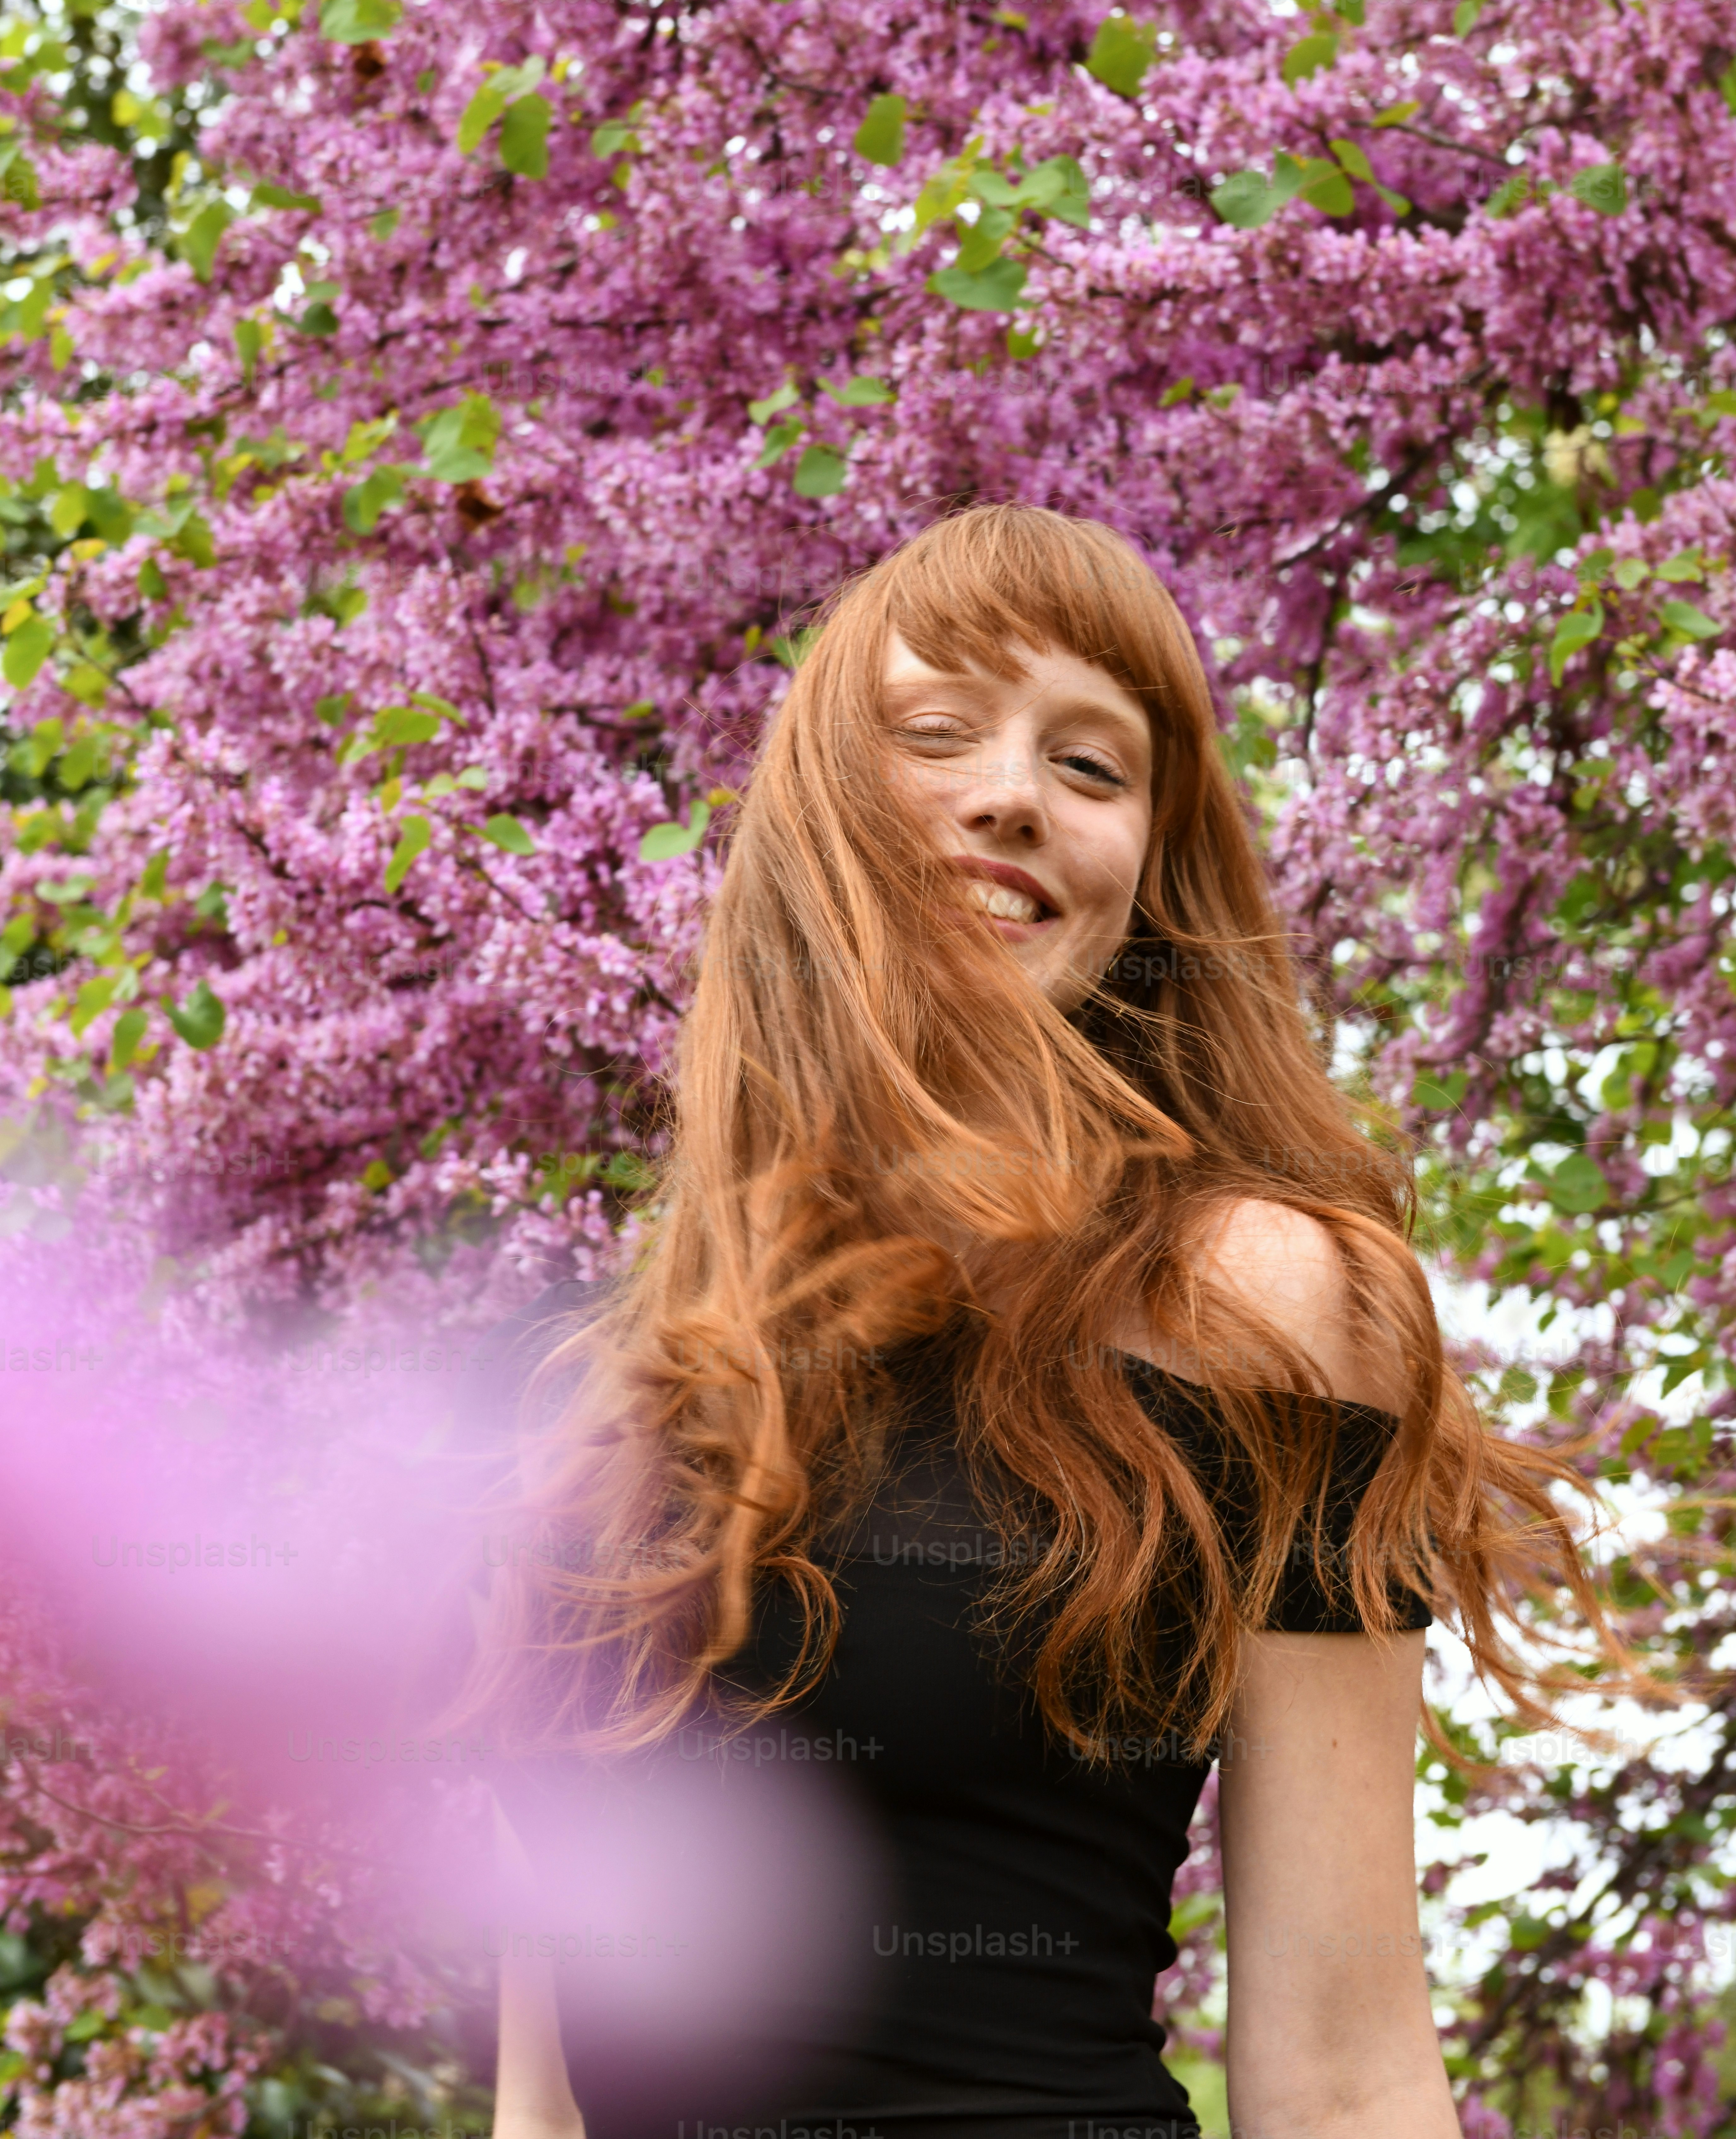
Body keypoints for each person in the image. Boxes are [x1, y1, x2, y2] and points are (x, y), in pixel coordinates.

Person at [451, 505, 1637, 2139]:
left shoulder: (1264, 1306)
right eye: (939, 734)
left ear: (1144, 884)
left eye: (1093, 768)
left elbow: (1346, 2059)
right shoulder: (587, 1383)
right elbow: (552, 2086)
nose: (1013, 792)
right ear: (817, 817)